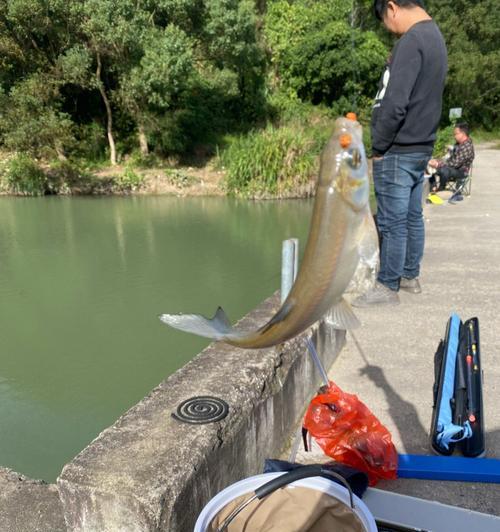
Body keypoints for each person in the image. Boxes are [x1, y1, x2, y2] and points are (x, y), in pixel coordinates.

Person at [353, 0, 447, 307]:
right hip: (421, 145)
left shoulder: (412, 40)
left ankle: (387, 285)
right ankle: (409, 276)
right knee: (412, 216)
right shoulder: (434, 37)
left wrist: (379, 146)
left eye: (384, 21)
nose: (389, 30)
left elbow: (395, 102)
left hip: (398, 146)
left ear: (392, 7)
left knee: (392, 222)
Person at [428, 123, 474, 192]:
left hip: (461, 171)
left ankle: (441, 189)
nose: (454, 136)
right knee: (429, 166)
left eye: (456, 134)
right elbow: (450, 160)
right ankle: (434, 188)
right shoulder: (459, 143)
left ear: (463, 133)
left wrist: (438, 164)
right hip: (454, 168)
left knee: (444, 170)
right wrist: (437, 161)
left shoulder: (466, 146)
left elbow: (455, 164)